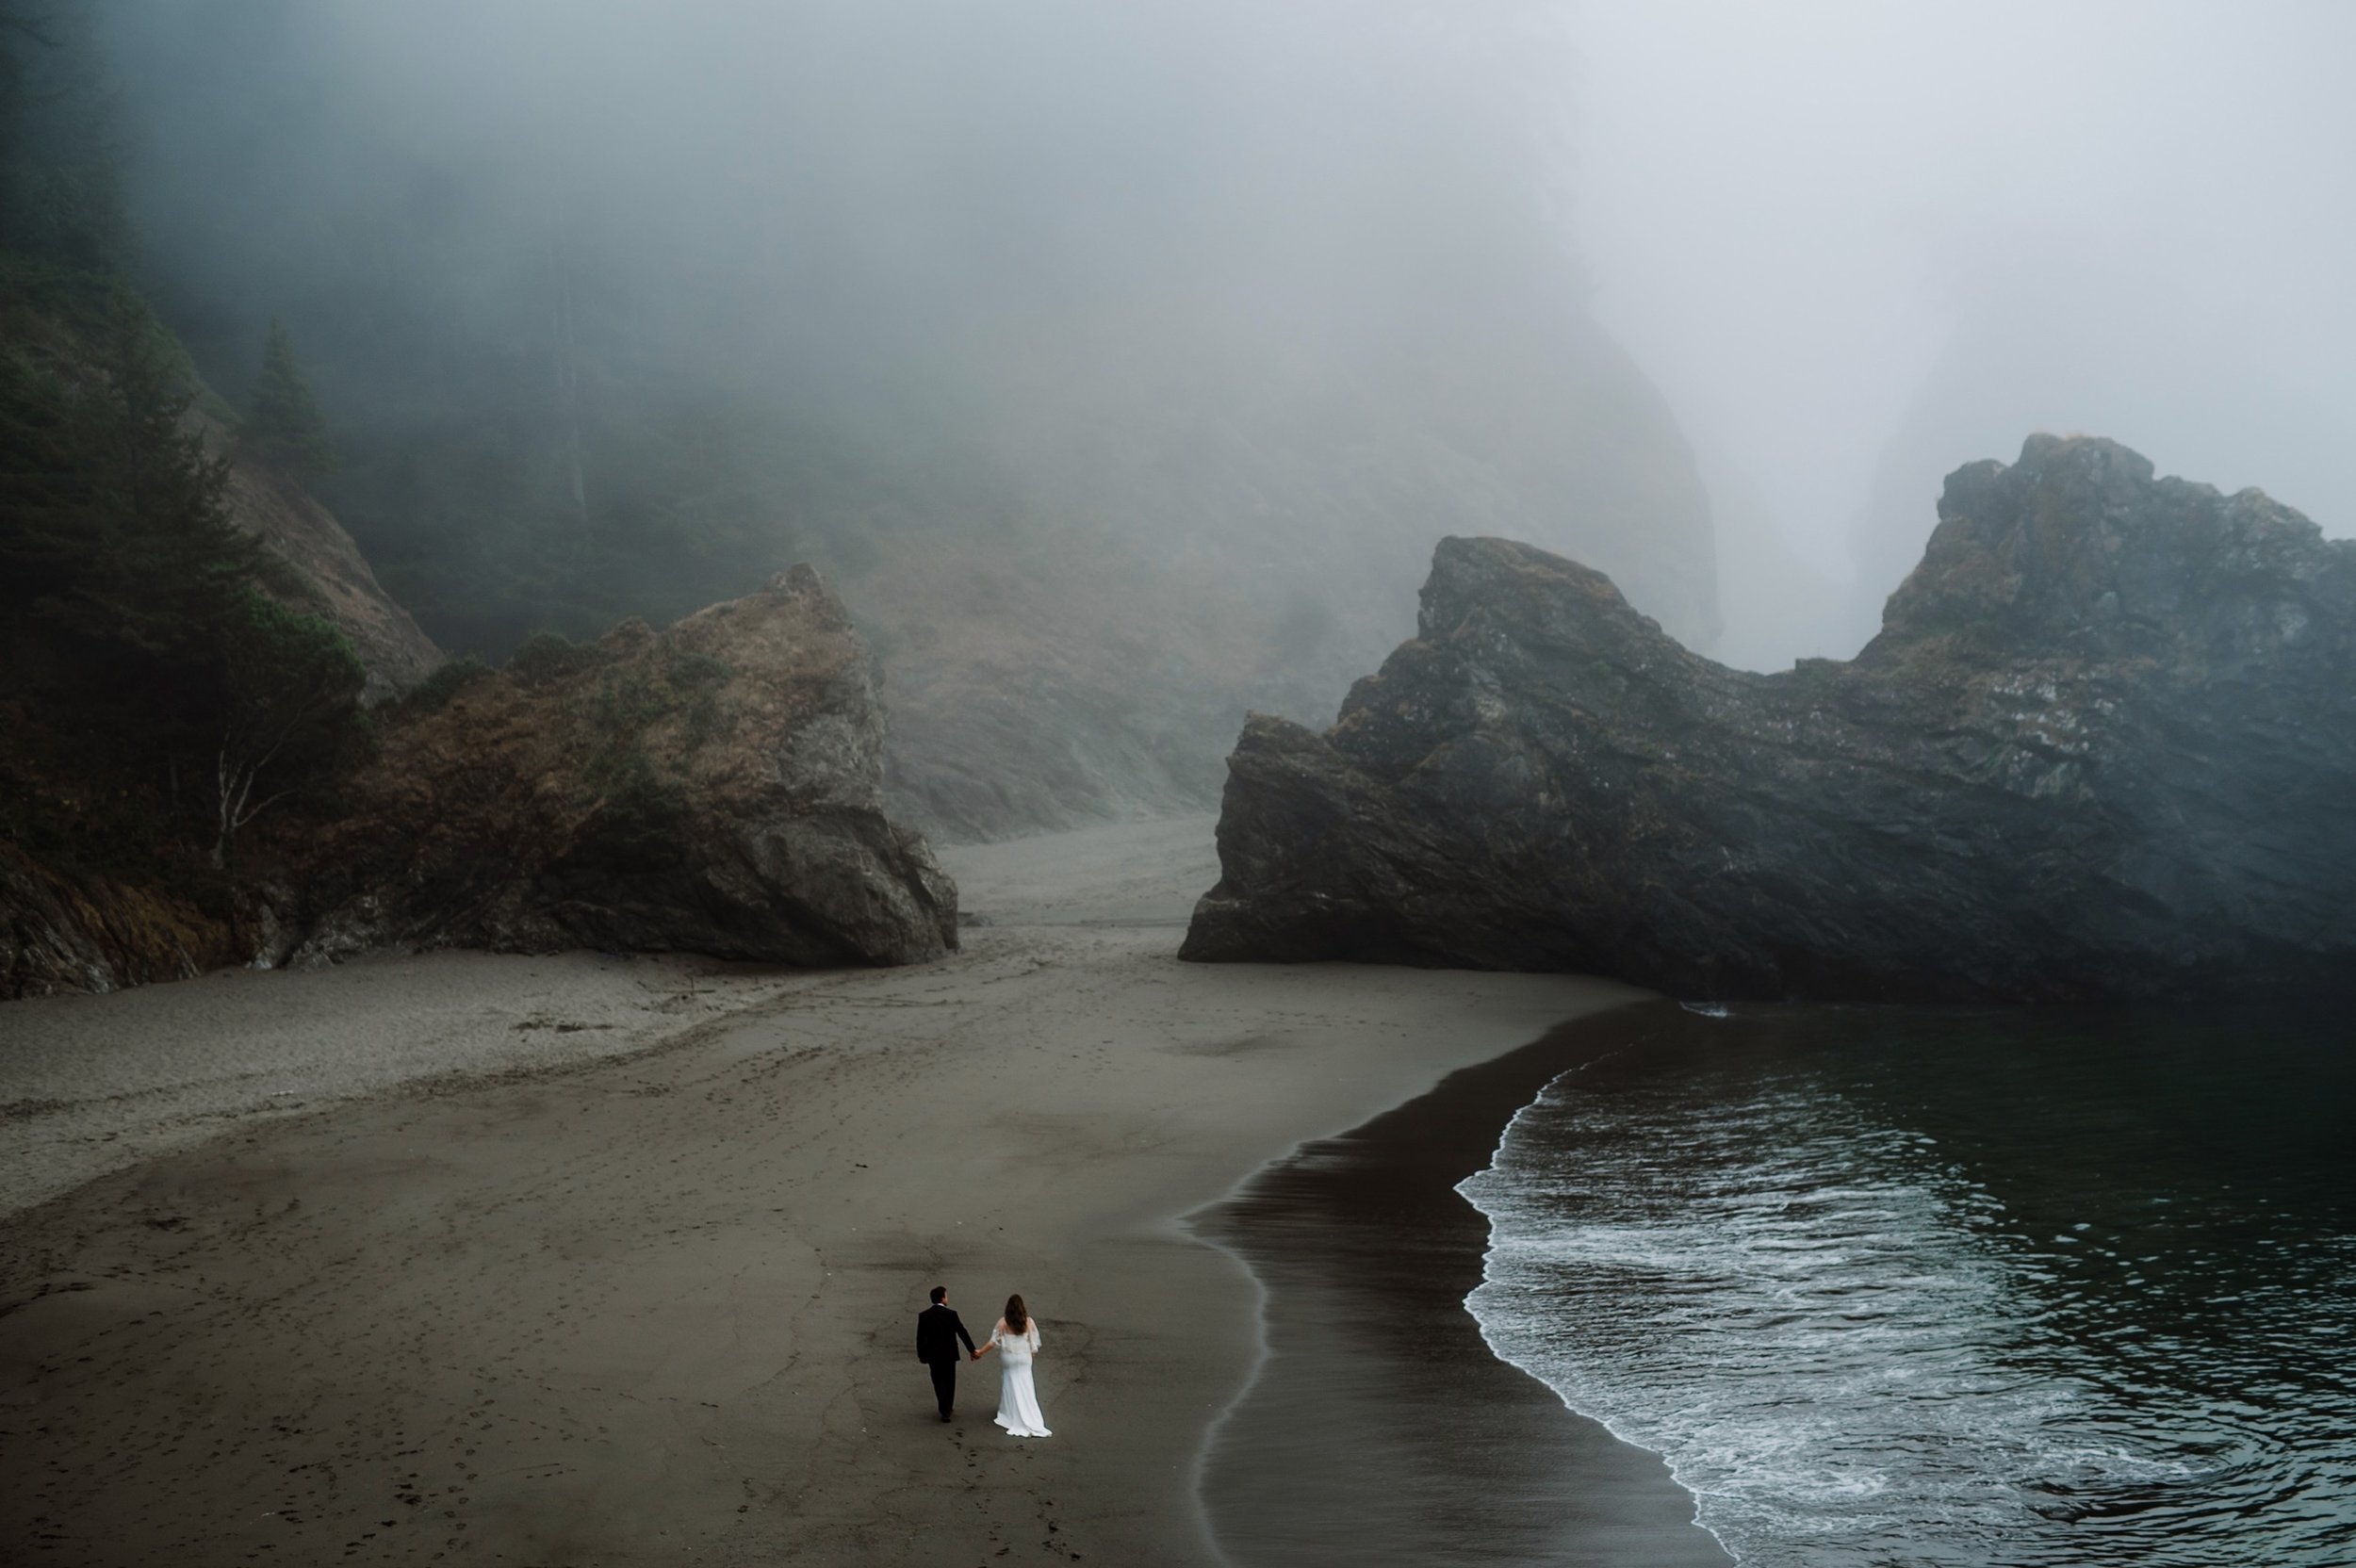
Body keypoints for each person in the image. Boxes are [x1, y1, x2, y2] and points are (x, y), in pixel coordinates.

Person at [974, 1292, 1051, 1438]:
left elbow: (993, 1342)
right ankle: (1028, 1411)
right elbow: (1034, 1344)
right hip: (1024, 1358)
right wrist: (1029, 1356)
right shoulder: (1028, 1322)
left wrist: (980, 1353)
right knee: (1026, 1384)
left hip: (1009, 1357)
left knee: (1010, 1382)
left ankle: (1010, 1412)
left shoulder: (1003, 1323)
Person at [915, 1285, 978, 1422]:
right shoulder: (951, 1314)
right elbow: (962, 1332)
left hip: (933, 1355)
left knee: (938, 1381)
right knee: (950, 1380)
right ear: (943, 1298)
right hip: (949, 1354)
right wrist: (972, 1349)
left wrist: (921, 1354)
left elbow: (920, 1337)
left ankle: (944, 1408)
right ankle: (948, 1406)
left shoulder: (924, 1316)